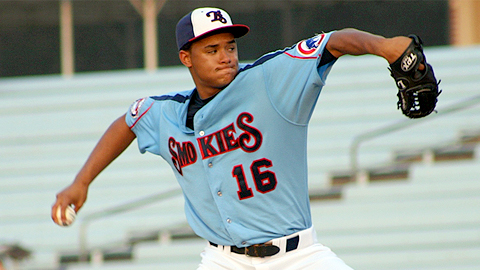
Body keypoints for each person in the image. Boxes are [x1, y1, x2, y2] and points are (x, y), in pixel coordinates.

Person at [52, 7, 419, 269]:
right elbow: (128, 122)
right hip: (222, 259)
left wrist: (385, 47)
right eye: (211, 50)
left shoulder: (267, 80)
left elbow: (333, 42)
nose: (226, 57)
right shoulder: (167, 114)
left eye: (230, 46)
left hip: (297, 256)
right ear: (186, 58)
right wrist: (81, 182)